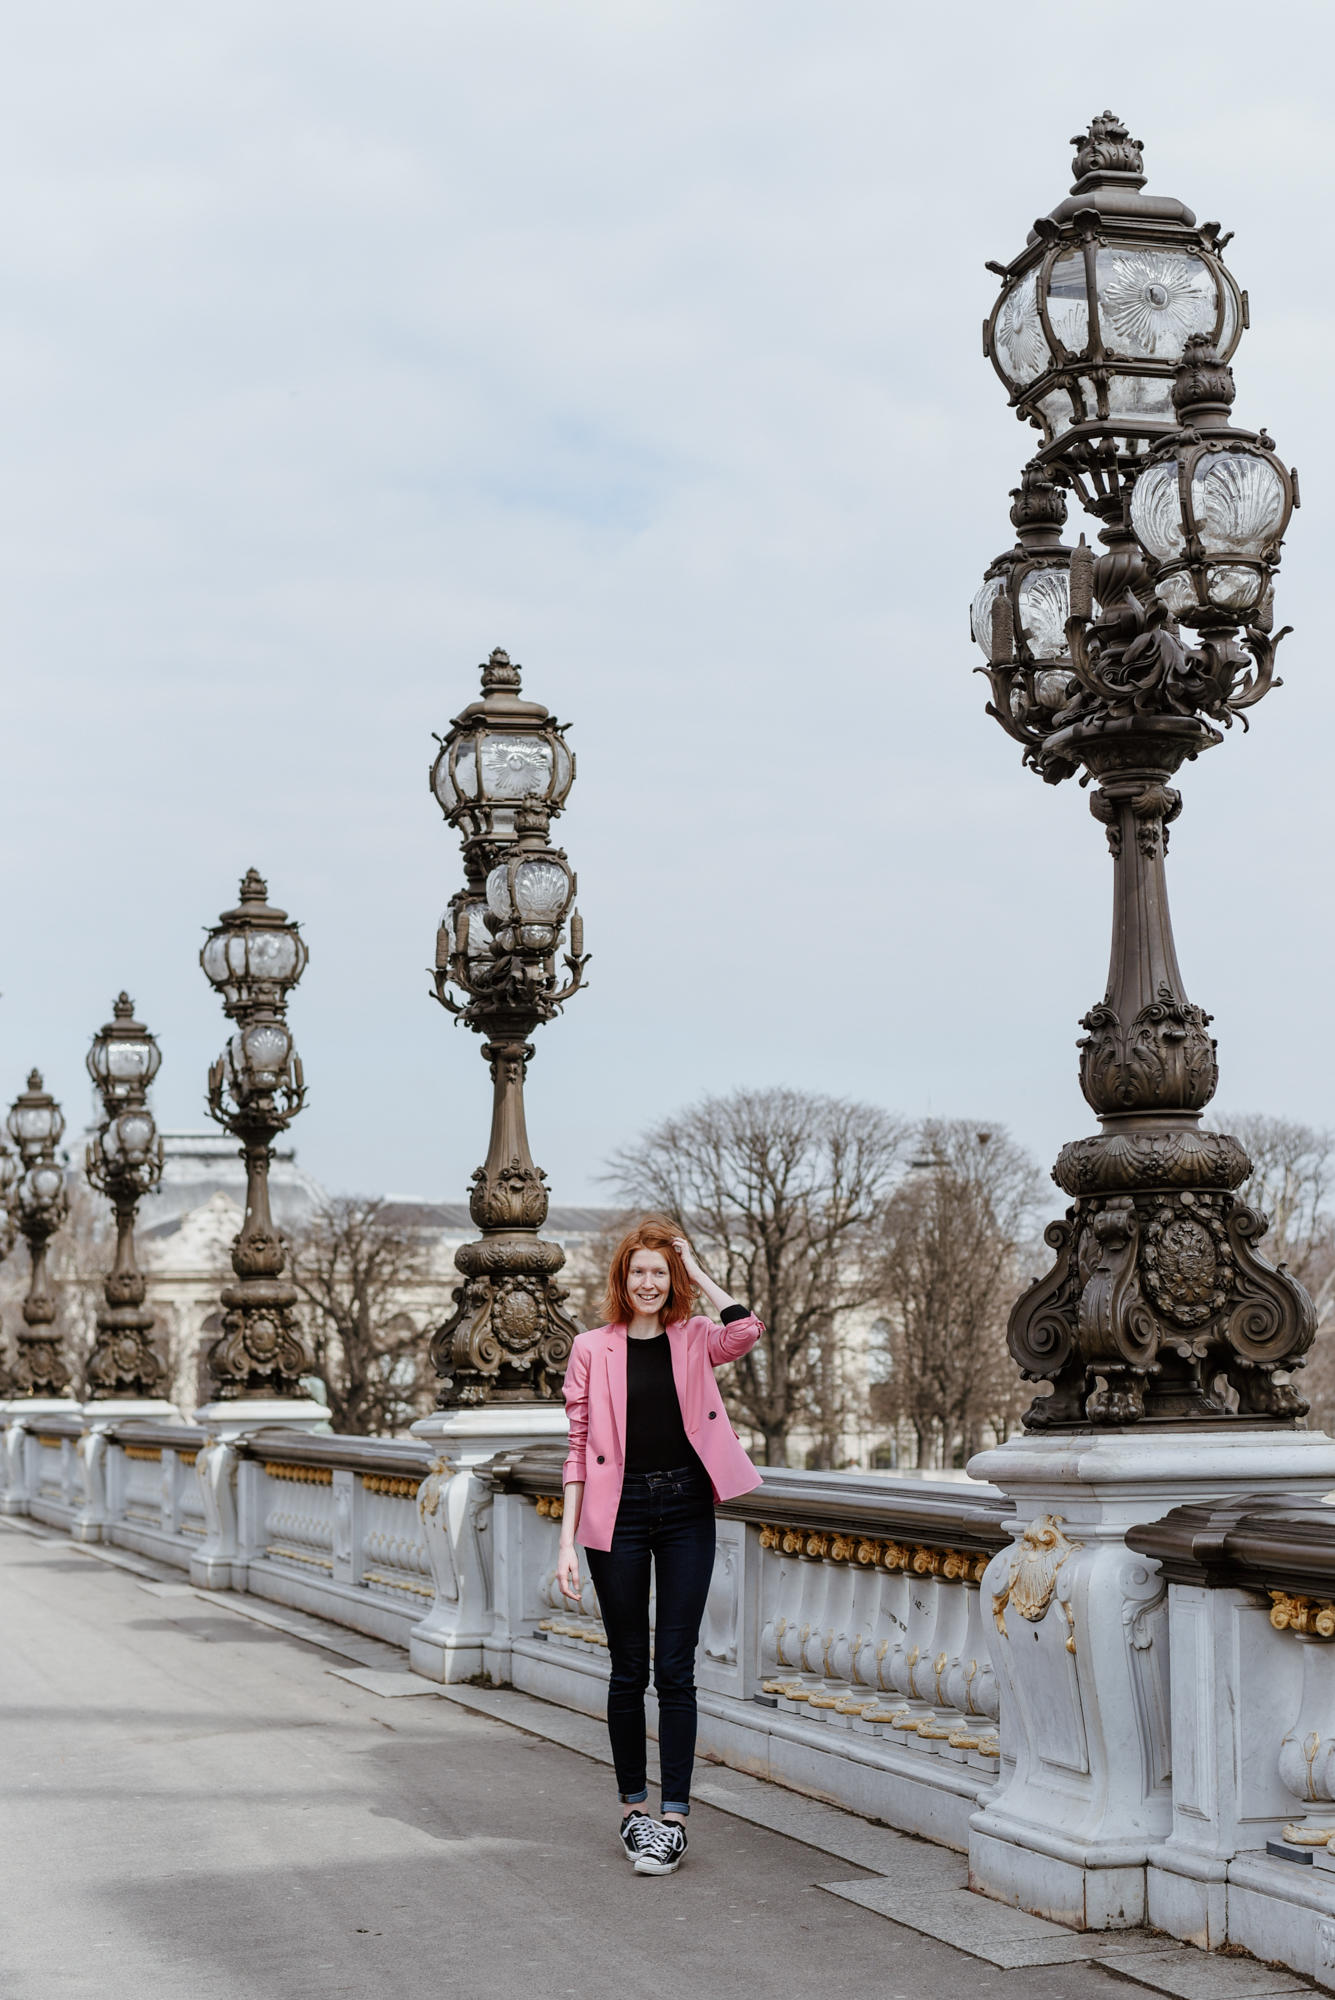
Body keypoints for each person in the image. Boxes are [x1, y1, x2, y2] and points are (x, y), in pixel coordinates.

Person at [557, 1217, 763, 1875]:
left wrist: (696, 1267)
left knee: (674, 1666)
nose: (648, 1282)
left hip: (683, 1509)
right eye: (638, 1271)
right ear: (622, 1279)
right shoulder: (592, 1347)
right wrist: (566, 1541)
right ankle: (632, 1810)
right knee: (628, 1667)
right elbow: (576, 1450)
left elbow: (747, 1331)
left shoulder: (694, 1336)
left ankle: (673, 1818)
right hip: (613, 1515)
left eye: (659, 1273)